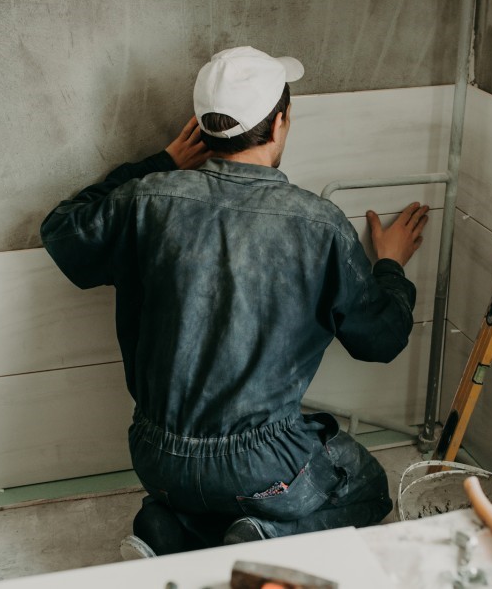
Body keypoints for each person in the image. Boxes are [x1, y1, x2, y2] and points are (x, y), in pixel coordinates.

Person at [40, 46, 429, 558]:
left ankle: (168, 527)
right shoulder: (317, 224)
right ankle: (266, 535)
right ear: (282, 121)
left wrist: (160, 162)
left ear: (203, 127)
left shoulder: (147, 200)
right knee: (366, 485)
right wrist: (389, 267)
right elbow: (381, 340)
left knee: (211, 488)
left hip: (157, 456)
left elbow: (62, 231)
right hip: (261, 467)